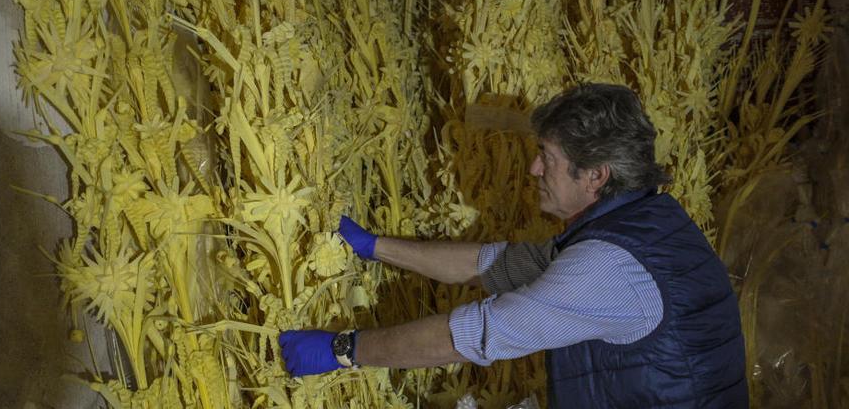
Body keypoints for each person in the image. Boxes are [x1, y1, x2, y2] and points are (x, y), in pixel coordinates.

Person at [279, 83, 748, 408]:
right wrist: (374, 246)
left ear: (596, 176)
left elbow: (475, 335)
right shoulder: (647, 223)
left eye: (548, 158)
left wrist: (344, 349)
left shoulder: (609, 267)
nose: (534, 171)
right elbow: (499, 264)